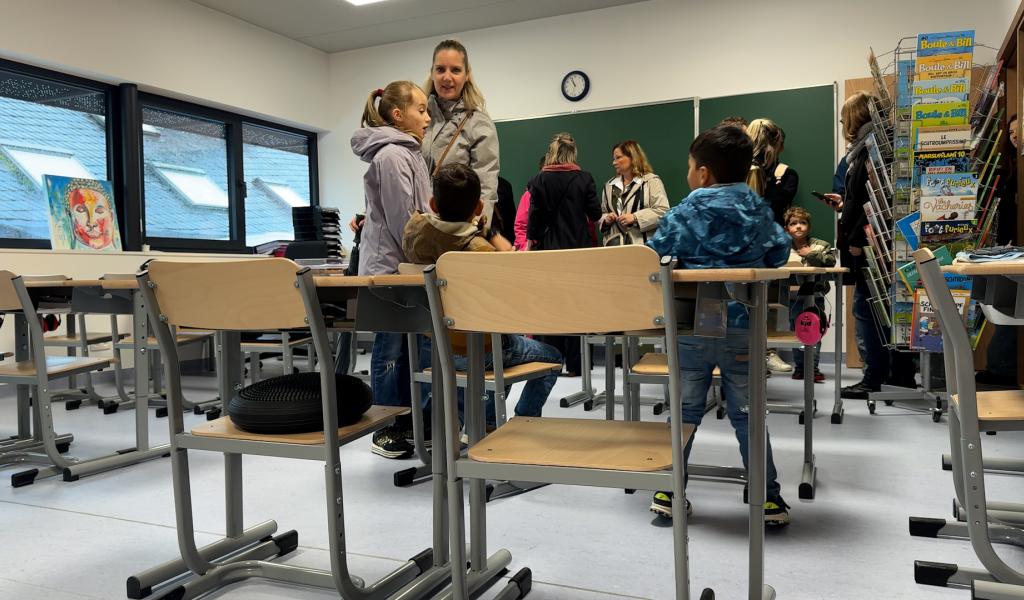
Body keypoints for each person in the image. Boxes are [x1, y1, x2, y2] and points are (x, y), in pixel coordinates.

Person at [645, 125, 791, 526]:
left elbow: (653, 256)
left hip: (691, 328)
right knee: (748, 412)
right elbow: (780, 251)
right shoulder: (757, 209)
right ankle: (768, 499)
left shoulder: (684, 212)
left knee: (685, 411)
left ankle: (671, 490)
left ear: (703, 173)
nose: (689, 174)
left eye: (691, 167)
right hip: (743, 326)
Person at [403, 163, 563, 422]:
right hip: (482, 350)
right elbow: (514, 274)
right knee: (552, 357)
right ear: (478, 208)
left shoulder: (414, 235)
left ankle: (478, 420)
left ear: (433, 204)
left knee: (504, 351)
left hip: (434, 347)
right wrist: (492, 235)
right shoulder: (479, 252)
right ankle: (518, 421)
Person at [350, 80, 432, 459]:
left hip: (407, 267)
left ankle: (411, 419)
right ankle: (387, 426)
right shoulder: (392, 156)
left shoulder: (410, 154)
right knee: (391, 351)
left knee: (411, 348)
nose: (427, 117)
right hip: (391, 271)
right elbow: (405, 223)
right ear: (399, 115)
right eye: (421, 110)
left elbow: (421, 213)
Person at [836, 92, 917, 398]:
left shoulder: (870, 149)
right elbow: (862, 197)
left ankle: (875, 378)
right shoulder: (876, 145)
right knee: (889, 309)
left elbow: (869, 199)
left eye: (845, 117)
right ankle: (901, 377)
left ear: (855, 117)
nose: (844, 123)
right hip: (881, 242)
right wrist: (844, 203)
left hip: (873, 245)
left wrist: (857, 240)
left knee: (868, 309)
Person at [527, 132, 602, 375]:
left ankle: (551, 362)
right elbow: (595, 214)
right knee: (579, 306)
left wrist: (532, 242)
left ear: (552, 153)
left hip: (549, 250)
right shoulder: (584, 179)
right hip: (579, 250)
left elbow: (534, 219)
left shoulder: (538, 180)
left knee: (551, 307)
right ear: (573, 153)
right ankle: (579, 364)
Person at [421, 39, 500, 226]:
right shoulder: (419, 117)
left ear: (467, 75)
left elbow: (486, 189)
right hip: (417, 227)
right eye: (440, 69)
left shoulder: (479, 125)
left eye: (455, 70)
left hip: (456, 231)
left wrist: (480, 233)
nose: (447, 77)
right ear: (431, 73)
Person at [746, 119, 799, 374]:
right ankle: (747, 353)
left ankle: (767, 350)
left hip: (769, 249)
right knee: (741, 302)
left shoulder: (785, 174)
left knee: (768, 302)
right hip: (743, 248)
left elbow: (772, 207)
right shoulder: (741, 169)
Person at [978, 113, 1020, 387]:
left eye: (1020, 131)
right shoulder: (1008, 169)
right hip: (1007, 249)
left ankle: (1001, 368)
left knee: (1011, 309)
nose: (1015, 136)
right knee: (1004, 308)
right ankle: (1000, 367)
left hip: (1014, 252)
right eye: (1012, 132)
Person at [783, 206, 836, 382]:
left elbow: (830, 261)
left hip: (815, 296)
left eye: (802, 223)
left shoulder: (820, 245)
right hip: (792, 298)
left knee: (814, 330)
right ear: (786, 229)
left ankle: (812, 368)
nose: (798, 226)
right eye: (793, 223)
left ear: (809, 227)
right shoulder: (782, 248)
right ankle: (800, 368)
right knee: (796, 331)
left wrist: (810, 254)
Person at [598, 140, 669, 246]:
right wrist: (606, 219)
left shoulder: (651, 181)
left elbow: (663, 212)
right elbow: (602, 213)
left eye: (618, 158)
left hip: (643, 249)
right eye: (614, 159)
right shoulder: (609, 186)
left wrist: (635, 217)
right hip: (613, 250)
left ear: (632, 157)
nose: (614, 162)